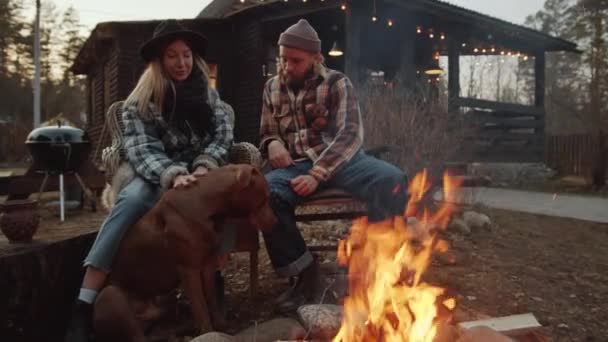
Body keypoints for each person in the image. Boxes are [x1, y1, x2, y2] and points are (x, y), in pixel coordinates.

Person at [64, 19, 234, 341]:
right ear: (160, 60)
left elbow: (222, 138)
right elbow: (143, 150)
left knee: (223, 199)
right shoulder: (139, 103)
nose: (181, 63)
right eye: (172, 55)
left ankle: (215, 278)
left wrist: (204, 165)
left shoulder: (212, 99)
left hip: (197, 169)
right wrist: (173, 175)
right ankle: (83, 304)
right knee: (132, 201)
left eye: (186, 54)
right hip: (152, 169)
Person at [259, 19, 410, 312]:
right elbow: (267, 132)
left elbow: (350, 134)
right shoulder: (271, 87)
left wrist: (318, 174)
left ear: (316, 58)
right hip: (295, 165)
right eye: (283, 59)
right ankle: (304, 275)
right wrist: (271, 144)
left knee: (393, 179)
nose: (288, 66)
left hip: (344, 161)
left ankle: (377, 270)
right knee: (266, 193)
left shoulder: (337, 82)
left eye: (296, 60)